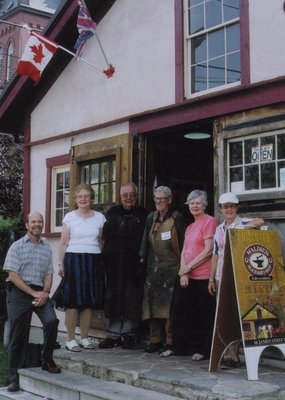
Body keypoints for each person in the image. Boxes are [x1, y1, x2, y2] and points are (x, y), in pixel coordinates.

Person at [3, 212, 61, 393]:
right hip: (19, 292)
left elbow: (48, 273)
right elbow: (12, 275)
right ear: (27, 225)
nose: (37, 224)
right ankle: (14, 377)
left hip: (39, 292)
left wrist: (44, 293)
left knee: (52, 321)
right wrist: (33, 293)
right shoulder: (17, 246)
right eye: (33, 221)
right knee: (18, 333)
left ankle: (46, 359)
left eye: (40, 221)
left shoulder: (46, 247)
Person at [208, 191, 264, 368]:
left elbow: (261, 221)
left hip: (239, 275)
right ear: (221, 209)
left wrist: (240, 229)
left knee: (239, 314)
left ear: (236, 207)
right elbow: (215, 255)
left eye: (232, 206)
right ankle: (231, 355)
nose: (229, 209)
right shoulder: (218, 229)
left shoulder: (243, 222)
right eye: (226, 207)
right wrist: (211, 279)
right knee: (223, 315)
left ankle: (236, 355)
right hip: (221, 277)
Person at [99, 183, 147, 349]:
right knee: (112, 298)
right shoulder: (112, 213)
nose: (128, 198)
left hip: (133, 265)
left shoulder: (144, 214)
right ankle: (112, 335)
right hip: (113, 264)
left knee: (131, 299)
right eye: (125, 195)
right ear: (120, 197)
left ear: (137, 196)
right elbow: (102, 236)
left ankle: (129, 334)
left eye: (132, 194)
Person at [58, 183, 106, 352]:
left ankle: (84, 338)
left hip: (93, 260)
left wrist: (99, 259)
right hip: (73, 259)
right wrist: (61, 263)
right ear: (75, 199)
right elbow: (63, 242)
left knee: (89, 301)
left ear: (91, 198)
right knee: (73, 300)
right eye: (80, 196)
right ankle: (70, 339)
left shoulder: (100, 218)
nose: (83, 199)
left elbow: (101, 241)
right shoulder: (69, 217)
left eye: (86, 196)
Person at [171, 189, 218, 360]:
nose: (195, 206)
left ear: (205, 205)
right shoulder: (190, 226)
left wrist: (189, 267)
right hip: (188, 275)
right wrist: (183, 272)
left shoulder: (210, 221)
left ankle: (204, 350)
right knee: (183, 312)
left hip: (204, 276)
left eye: (198, 202)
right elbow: (184, 250)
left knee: (204, 315)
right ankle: (183, 347)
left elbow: (208, 250)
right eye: (191, 203)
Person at [139, 186, 184, 355]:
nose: (158, 202)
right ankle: (155, 340)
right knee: (151, 305)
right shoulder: (151, 217)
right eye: (156, 199)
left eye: (162, 198)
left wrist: (183, 264)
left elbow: (183, 239)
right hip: (154, 267)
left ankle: (170, 341)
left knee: (168, 307)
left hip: (172, 267)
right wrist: (142, 255)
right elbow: (145, 238)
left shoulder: (177, 217)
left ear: (170, 200)